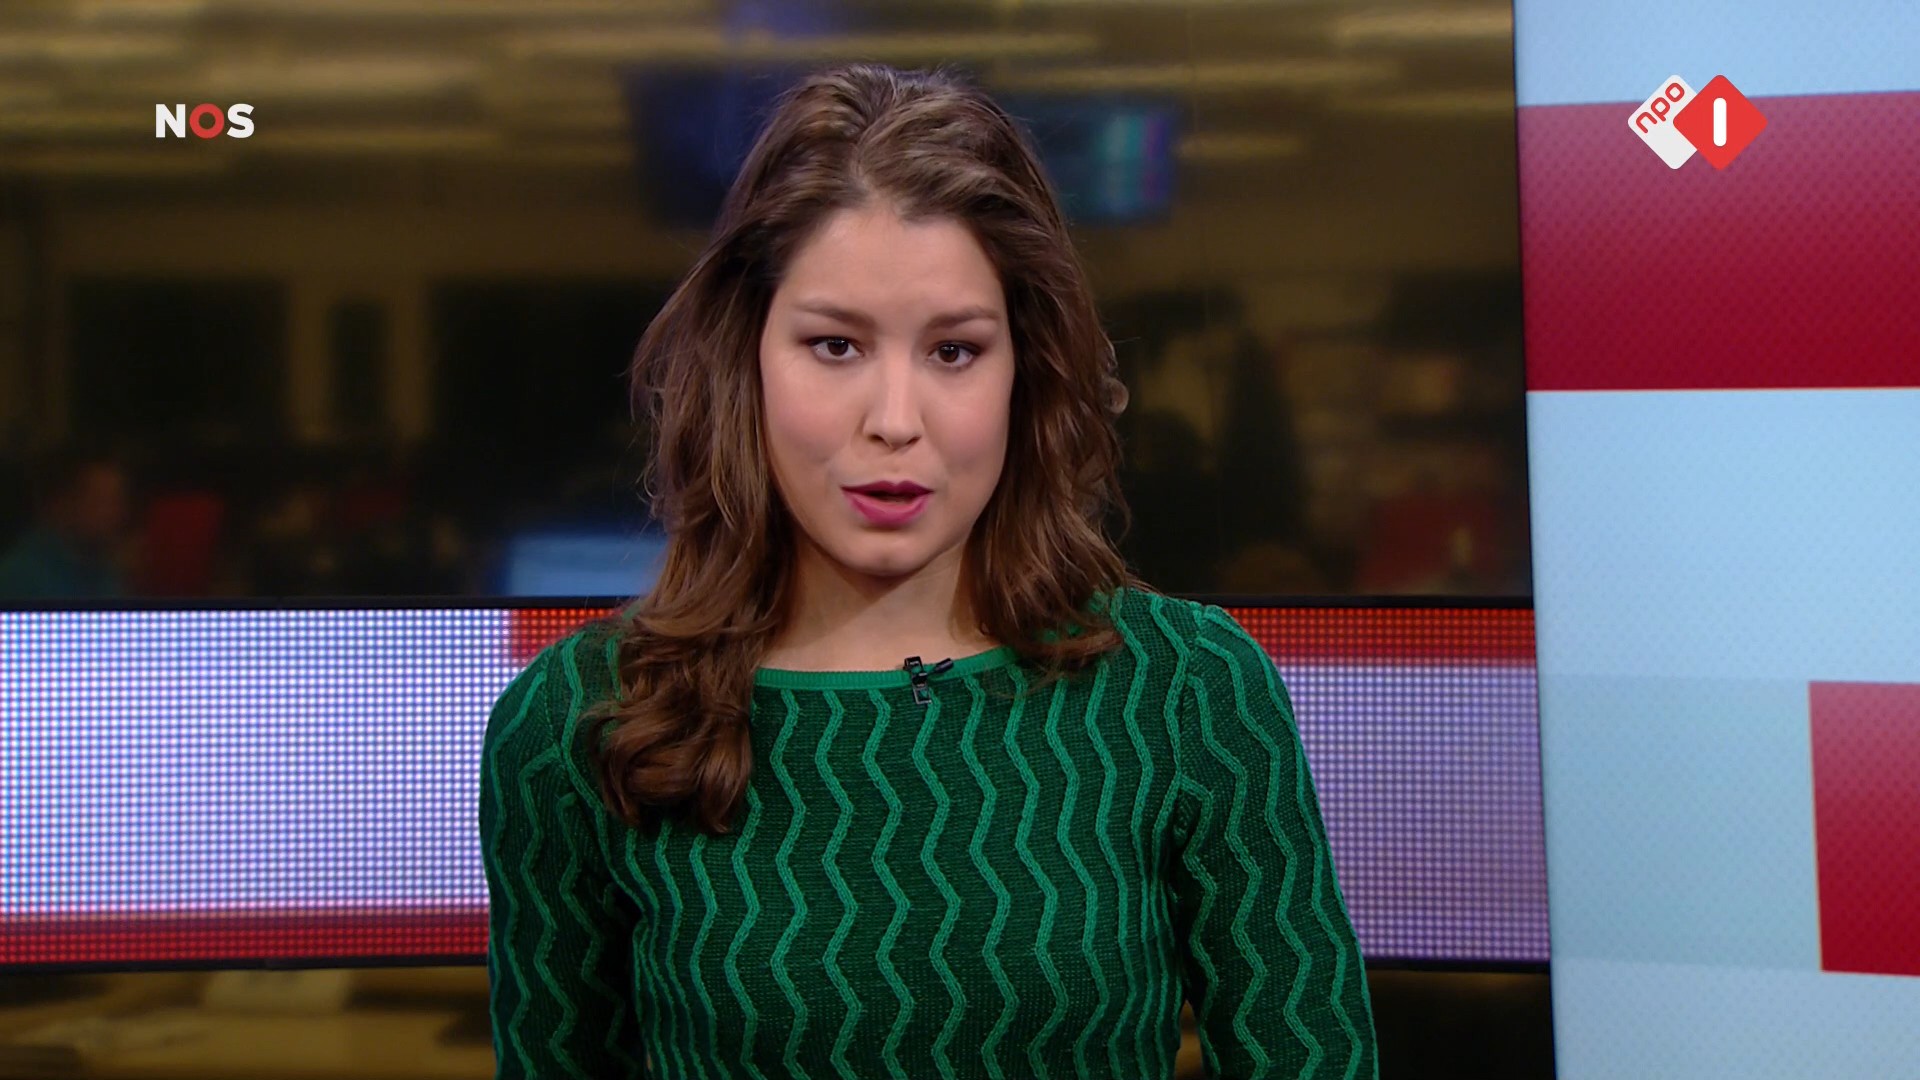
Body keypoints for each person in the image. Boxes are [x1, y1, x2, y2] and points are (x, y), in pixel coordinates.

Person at [479, 62, 1377, 1080]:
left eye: (954, 352)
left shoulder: (1188, 692)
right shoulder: (580, 720)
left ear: (1024, 372)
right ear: (747, 361)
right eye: (835, 346)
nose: (895, 421)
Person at [0, 448, 132, 600]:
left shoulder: (104, 573)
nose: (116, 513)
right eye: (101, 502)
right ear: (61, 504)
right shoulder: (21, 579)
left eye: (117, 501)